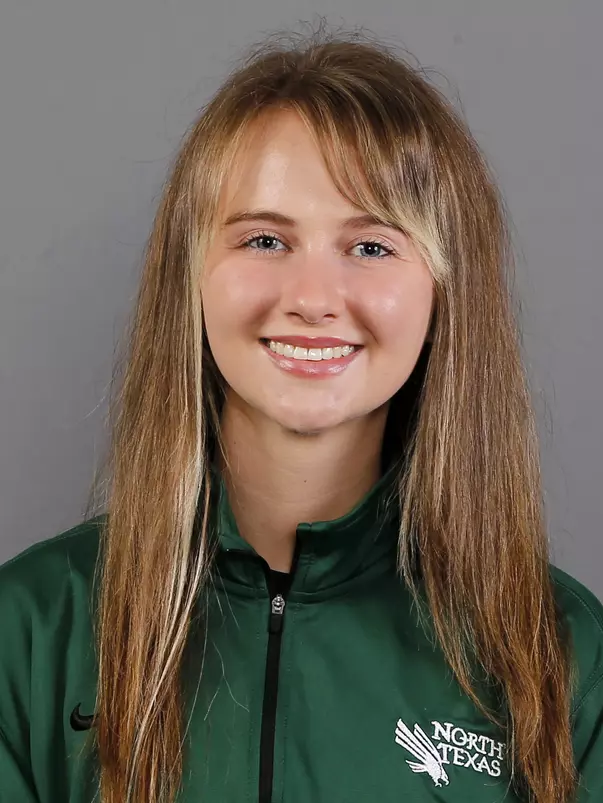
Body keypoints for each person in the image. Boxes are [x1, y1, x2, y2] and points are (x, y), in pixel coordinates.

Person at [0, 28, 602, 803]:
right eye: (263, 238)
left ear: (444, 289)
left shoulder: (556, 651)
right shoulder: (30, 630)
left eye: (372, 246)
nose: (313, 297)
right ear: (190, 273)